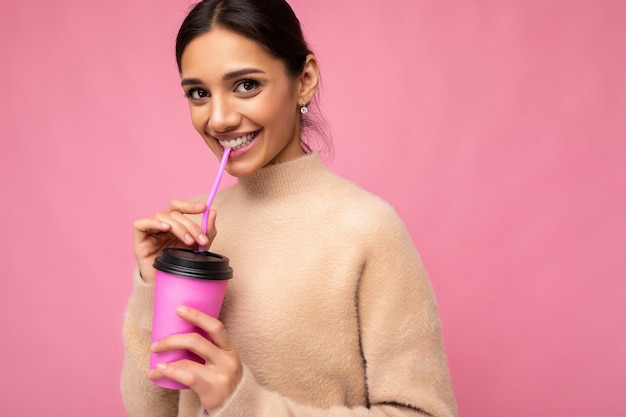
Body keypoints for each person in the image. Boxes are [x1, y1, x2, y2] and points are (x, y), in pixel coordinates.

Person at [121, 0, 458, 416]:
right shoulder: (197, 234)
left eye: (246, 85)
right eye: (199, 93)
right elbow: (150, 412)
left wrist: (244, 405)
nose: (220, 118)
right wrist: (153, 285)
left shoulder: (367, 228)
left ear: (305, 80)